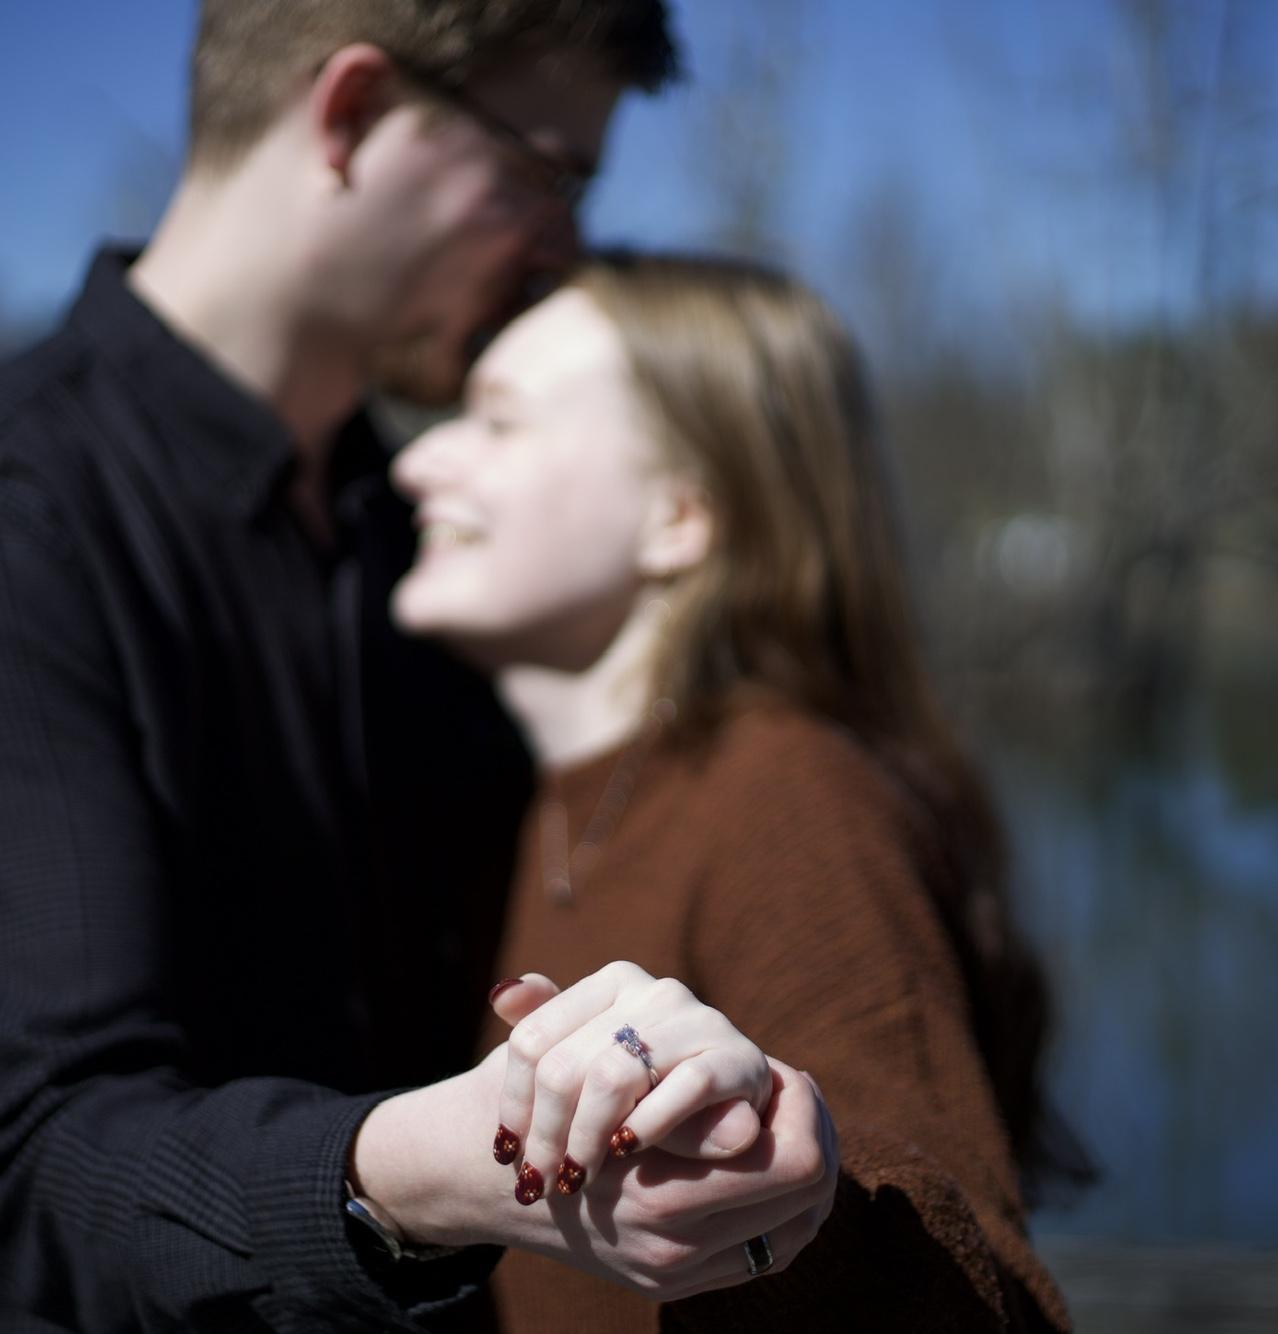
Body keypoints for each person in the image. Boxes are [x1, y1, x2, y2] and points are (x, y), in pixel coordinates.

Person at [0, 7, 841, 1331]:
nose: (561, 243)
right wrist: (415, 1171)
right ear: (350, 115)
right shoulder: (33, 520)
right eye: (545, 172)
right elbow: (37, 1157)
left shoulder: (419, 542)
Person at [390, 252, 1077, 1332]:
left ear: (679, 516)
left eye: (497, 421)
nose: (417, 460)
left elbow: (971, 1282)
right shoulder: (539, 800)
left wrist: (785, 1196)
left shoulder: (791, 798)